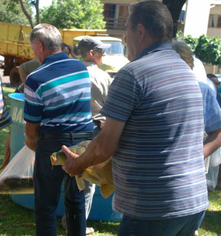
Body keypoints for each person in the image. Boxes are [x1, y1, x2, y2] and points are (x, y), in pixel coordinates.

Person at [62, 2, 208, 235]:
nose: (125, 41)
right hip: (193, 202)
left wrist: (76, 164)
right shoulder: (186, 72)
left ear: (139, 32)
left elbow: (105, 146)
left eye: (126, 32)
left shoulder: (132, 73)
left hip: (153, 208)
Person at [23, 23, 94, 236]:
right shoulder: (80, 67)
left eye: (33, 48)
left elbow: (32, 128)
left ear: (39, 45)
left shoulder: (35, 78)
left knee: (46, 206)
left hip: (53, 142)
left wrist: (35, 146)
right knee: (76, 200)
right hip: (84, 141)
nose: (33, 53)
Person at [64, 36, 113, 235]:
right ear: (91, 53)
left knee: (69, 177)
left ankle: (69, 222)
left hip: (67, 130)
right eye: (102, 51)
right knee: (86, 181)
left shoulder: (68, 72)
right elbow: (112, 108)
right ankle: (77, 226)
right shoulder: (103, 77)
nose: (105, 54)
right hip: (92, 132)